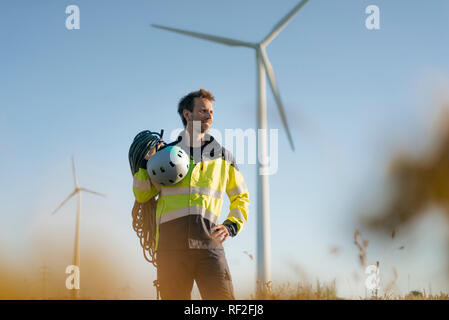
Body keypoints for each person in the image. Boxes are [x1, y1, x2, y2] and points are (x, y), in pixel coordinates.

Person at [132, 88, 250, 300]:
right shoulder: (163, 155)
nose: (209, 116)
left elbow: (241, 198)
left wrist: (232, 225)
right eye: (203, 110)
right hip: (170, 248)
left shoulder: (223, 158)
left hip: (209, 246)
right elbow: (142, 196)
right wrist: (144, 164)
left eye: (211, 112)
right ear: (187, 114)